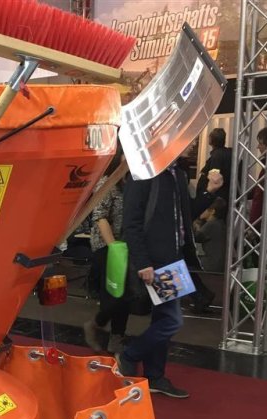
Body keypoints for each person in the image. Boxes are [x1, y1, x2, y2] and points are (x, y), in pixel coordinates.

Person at [116, 160, 200, 398]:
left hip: (174, 260)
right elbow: (131, 223)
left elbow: (185, 215)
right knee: (172, 321)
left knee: (163, 318)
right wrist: (143, 261)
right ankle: (130, 355)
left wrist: (209, 192)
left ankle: (155, 376)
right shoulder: (143, 174)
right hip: (157, 262)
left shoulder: (178, 174)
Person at [83, 154, 131, 354]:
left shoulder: (132, 183)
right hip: (107, 248)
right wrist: (113, 247)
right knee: (112, 296)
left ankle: (116, 336)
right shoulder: (106, 183)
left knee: (125, 295)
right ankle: (96, 325)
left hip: (126, 246)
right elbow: (100, 217)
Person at [193, 173, 228, 273]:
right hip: (220, 263)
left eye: (205, 208)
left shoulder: (212, 224)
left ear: (212, 211)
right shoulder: (220, 224)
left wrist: (195, 225)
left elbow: (196, 238)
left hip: (210, 263)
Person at [194, 127, 232, 216]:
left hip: (215, 200)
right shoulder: (228, 153)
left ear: (211, 140)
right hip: (223, 196)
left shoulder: (217, 155)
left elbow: (214, 177)